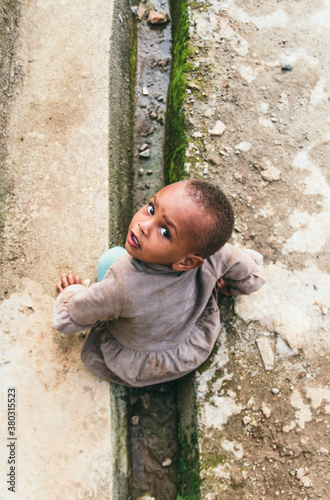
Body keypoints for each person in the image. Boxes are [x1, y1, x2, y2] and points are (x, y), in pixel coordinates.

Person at [53, 180, 265, 387]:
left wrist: (72, 294)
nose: (143, 226)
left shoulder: (121, 284)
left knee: (110, 258)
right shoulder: (213, 253)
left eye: (165, 232)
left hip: (139, 356)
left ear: (187, 262)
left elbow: (77, 313)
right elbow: (244, 267)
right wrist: (233, 285)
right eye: (152, 209)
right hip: (186, 344)